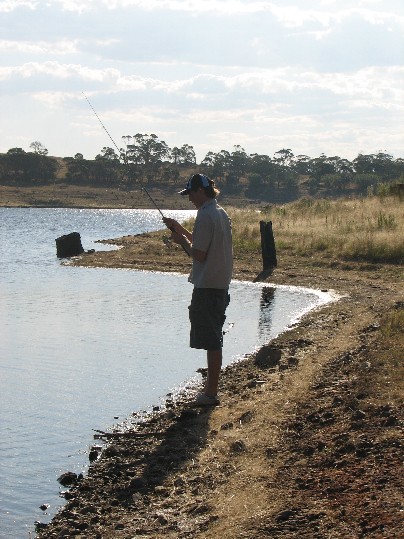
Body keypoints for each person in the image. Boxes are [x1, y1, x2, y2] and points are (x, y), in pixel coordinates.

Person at [163, 173, 233, 406]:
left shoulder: (205, 215)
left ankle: (211, 394)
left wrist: (180, 241)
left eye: (191, 194)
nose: (189, 199)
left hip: (208, 286)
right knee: (214, 337)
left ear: (200, 191)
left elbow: (199, 254)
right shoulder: (220, 213)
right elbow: (203, 242)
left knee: (212, 340)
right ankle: (210, 391)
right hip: (219, 285)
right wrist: (181, 230)